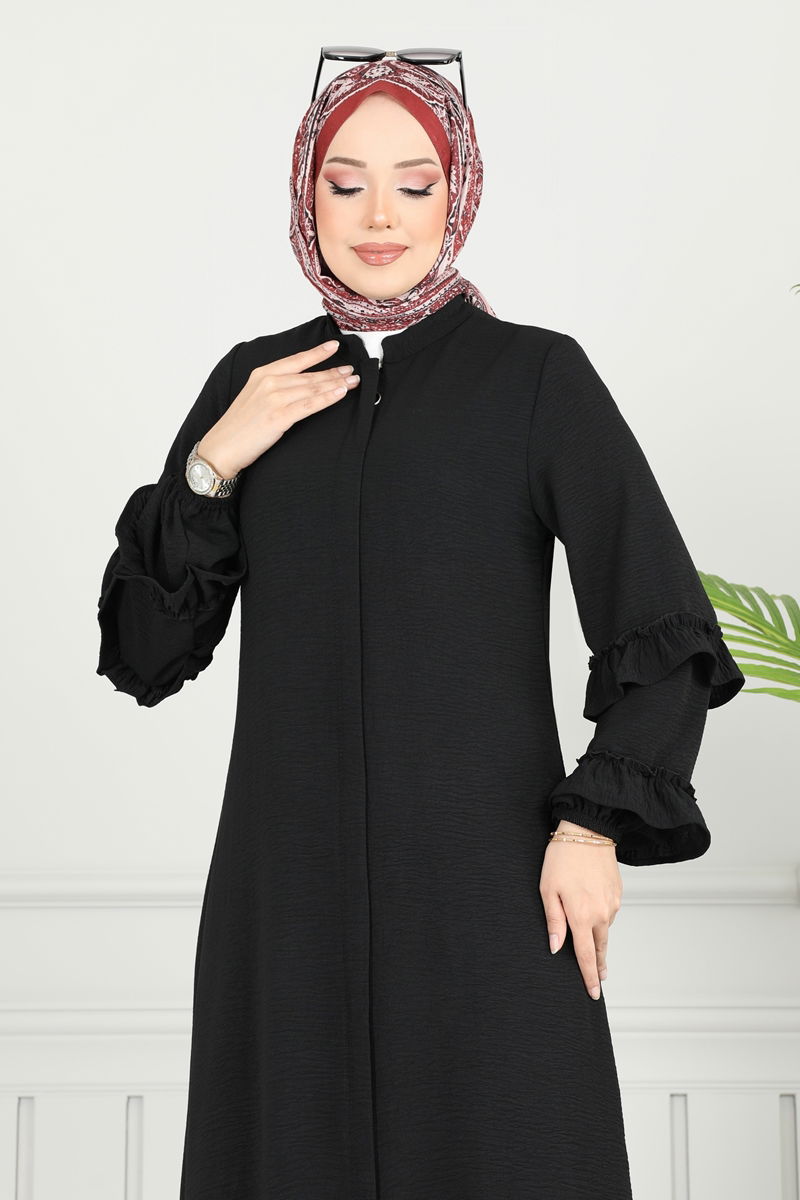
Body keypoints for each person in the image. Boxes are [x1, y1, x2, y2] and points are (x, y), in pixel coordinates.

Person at [96, 53, 745, 1200]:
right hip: (284, 908)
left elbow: (661, 626)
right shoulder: (255, 382)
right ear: (306, 195)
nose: (380, 217)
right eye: (345, 184)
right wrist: (211, 464)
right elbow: (147, 654)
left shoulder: (534, 379)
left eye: (414, 182)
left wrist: (590, 830)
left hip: (487, 895)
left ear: (460, 191)